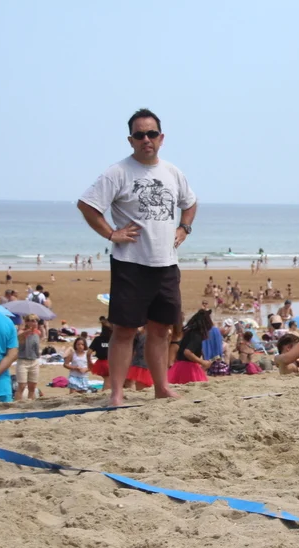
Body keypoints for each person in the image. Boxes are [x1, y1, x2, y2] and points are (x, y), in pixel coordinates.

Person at [77, 108, 197, 406]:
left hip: (166, 263)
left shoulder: (172, 172)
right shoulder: (118, 172)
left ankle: (161, 387)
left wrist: (184, 228)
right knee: (124, 330)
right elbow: (87, 205)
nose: (146, 139)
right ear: (131, 140)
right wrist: (111, 233)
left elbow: (190, 203)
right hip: (130, 264)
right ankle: (117, 394)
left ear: (161, 138)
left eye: (152, 134)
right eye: (140, 135)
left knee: (160, 329)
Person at [168, 309, 213, 384]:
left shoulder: (188, 332)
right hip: (188, 368)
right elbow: (187, 352)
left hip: (179, 366)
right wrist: (202, 362)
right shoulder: (197, 335)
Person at [14, 314, 41, 401]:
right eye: (32, 321)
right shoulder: (22, 332)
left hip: (34, 360)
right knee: (21, 385)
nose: (34, 323)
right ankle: (17, 404)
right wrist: (27, 332)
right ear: (27, 322)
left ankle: (30, 403)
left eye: (36, 321)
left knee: (32, 386)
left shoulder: (37, 333)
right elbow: (18, 338)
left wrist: (38, 353)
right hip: (23, 361)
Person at [89, 319, 112, 392]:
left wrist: (89, 362)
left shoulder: (97, 339)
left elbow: (88, 353)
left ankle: (105, 392)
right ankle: (104, 393)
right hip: (110, 363)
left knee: (107, 379)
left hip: (100, 362)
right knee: (108, 379)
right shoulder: (113, 339)